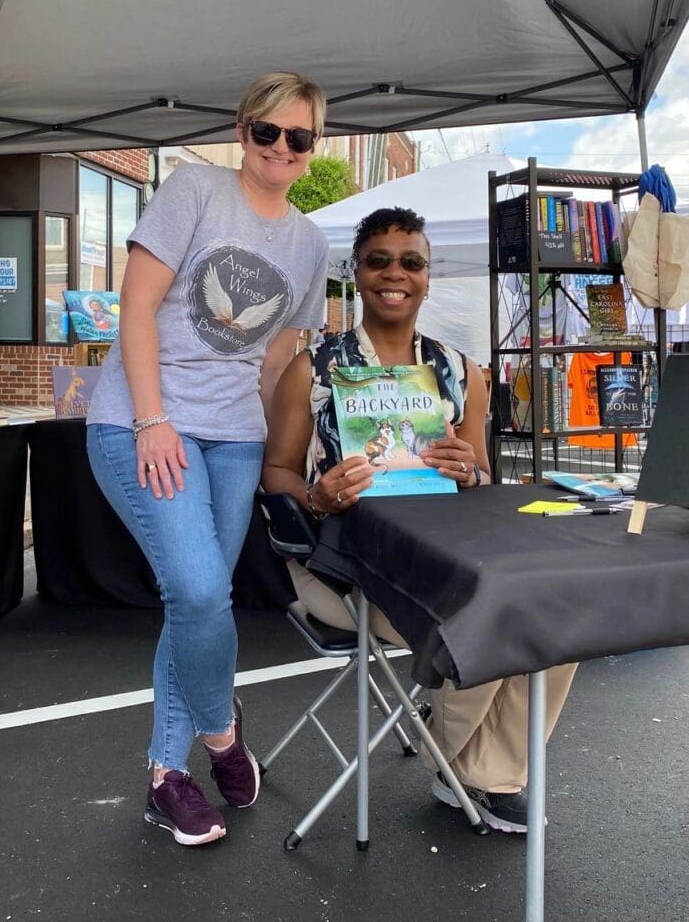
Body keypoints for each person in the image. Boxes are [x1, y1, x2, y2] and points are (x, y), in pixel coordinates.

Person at [262, 206, 577, 834]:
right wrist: (319, 495)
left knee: (554, 617)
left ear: (428, 275)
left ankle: (483, 772)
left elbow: (484, 476)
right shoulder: (315, 369)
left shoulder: (462, 372)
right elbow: (274, 474)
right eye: (378, 260)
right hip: (344, 567)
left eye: (411, 261)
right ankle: (456, 761)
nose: (394, 273)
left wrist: (469, 471)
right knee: (481, 613)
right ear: (356, 271)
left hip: (445, 552)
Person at [85, 71, 330, 847]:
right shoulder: (193, 190)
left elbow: (278, 358)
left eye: (299, 137)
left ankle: (167, 774)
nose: (281, 148)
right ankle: (222, 738)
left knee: (198, 606)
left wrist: (281, 450)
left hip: (236, 437)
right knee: (195, 587)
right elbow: (137, 306)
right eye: (268, 132)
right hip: (145, 420)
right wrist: (153, 419)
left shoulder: (310, 241)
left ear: (312, 145)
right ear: (243, 128)